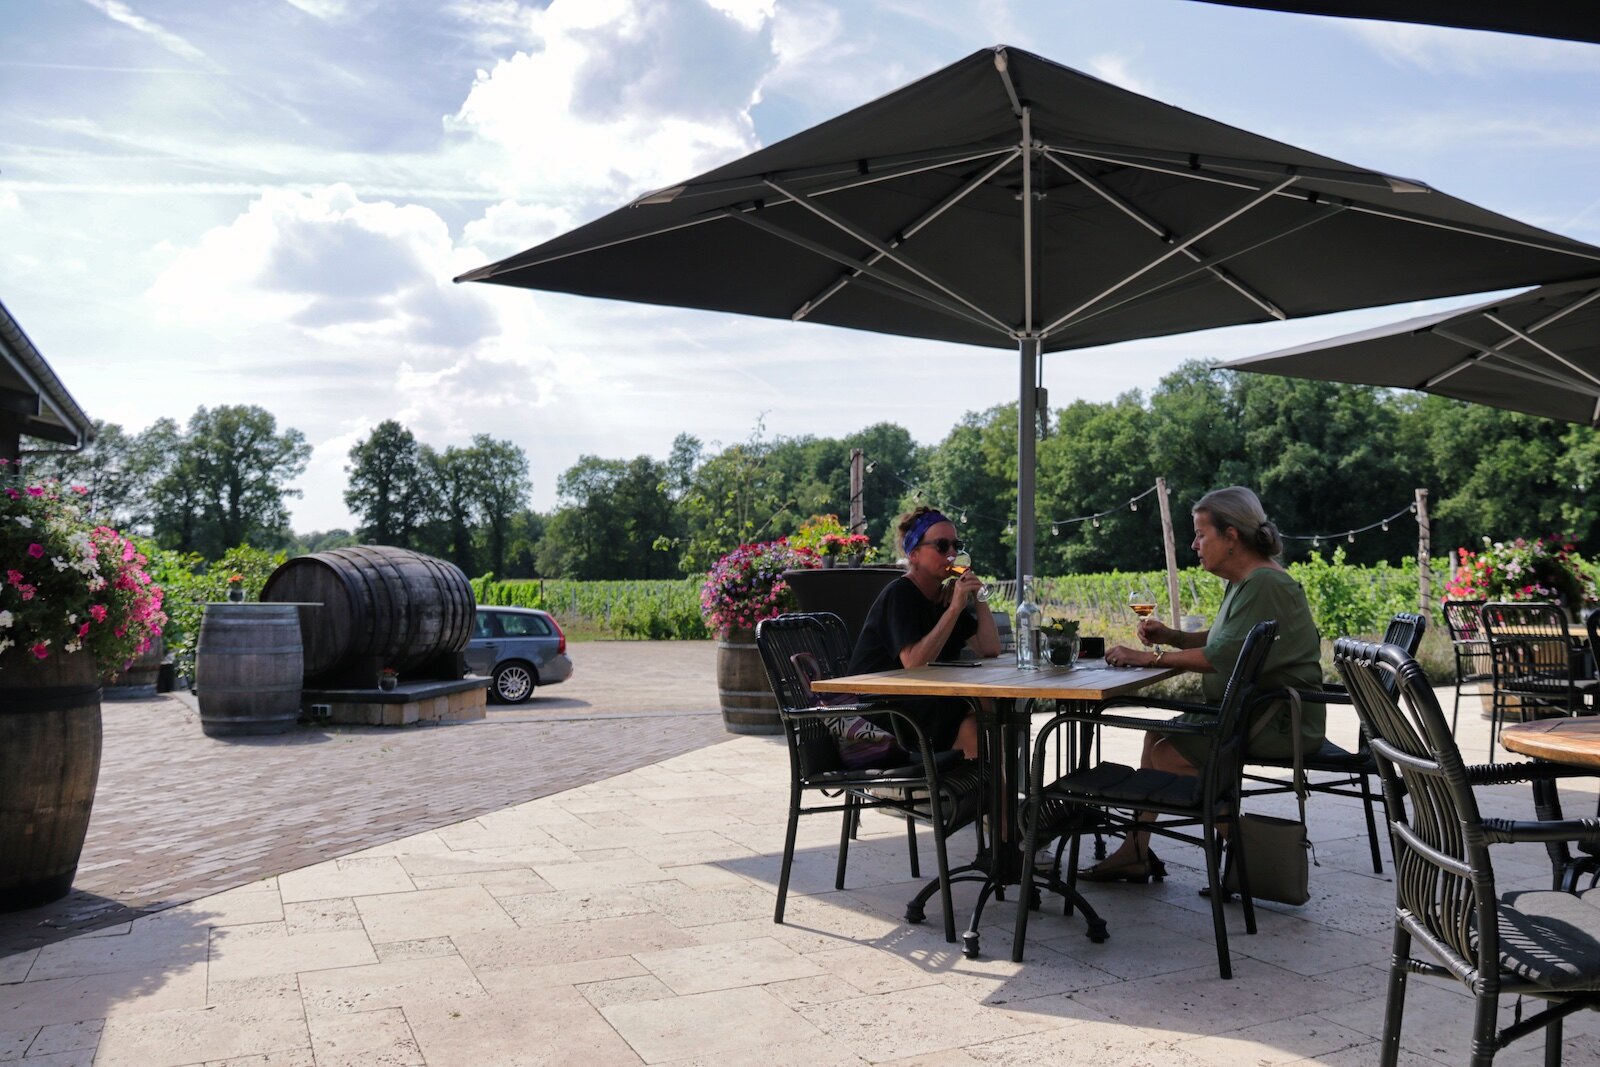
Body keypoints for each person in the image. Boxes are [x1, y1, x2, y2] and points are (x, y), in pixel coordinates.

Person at [1085, 486, 1322, 882]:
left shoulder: (1265, 584)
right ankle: (1136, 850)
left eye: (1200, 534)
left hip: (1276, 720)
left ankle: (1249, 862)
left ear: (1231, 536)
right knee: (1156, 739)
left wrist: (1147, 657)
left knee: (1169, 755)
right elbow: (1226, 641)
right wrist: (1173, 637)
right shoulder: (1248, 582)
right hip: (1252, 711)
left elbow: (1218, 657)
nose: (1195, 545)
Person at [847, 506, 1001, 758]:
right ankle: (984, 792)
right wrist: (953, 610)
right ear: (915, 554)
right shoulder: (900, 594)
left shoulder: (943, 597)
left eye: (956, 545)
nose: (953, 554)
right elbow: (914, 663)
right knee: (976, 720)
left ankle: (984, 791)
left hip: (919, 700)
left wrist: (979, 597)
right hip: (883, 709)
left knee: (991, 708)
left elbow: (989, 648)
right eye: (942, 546)